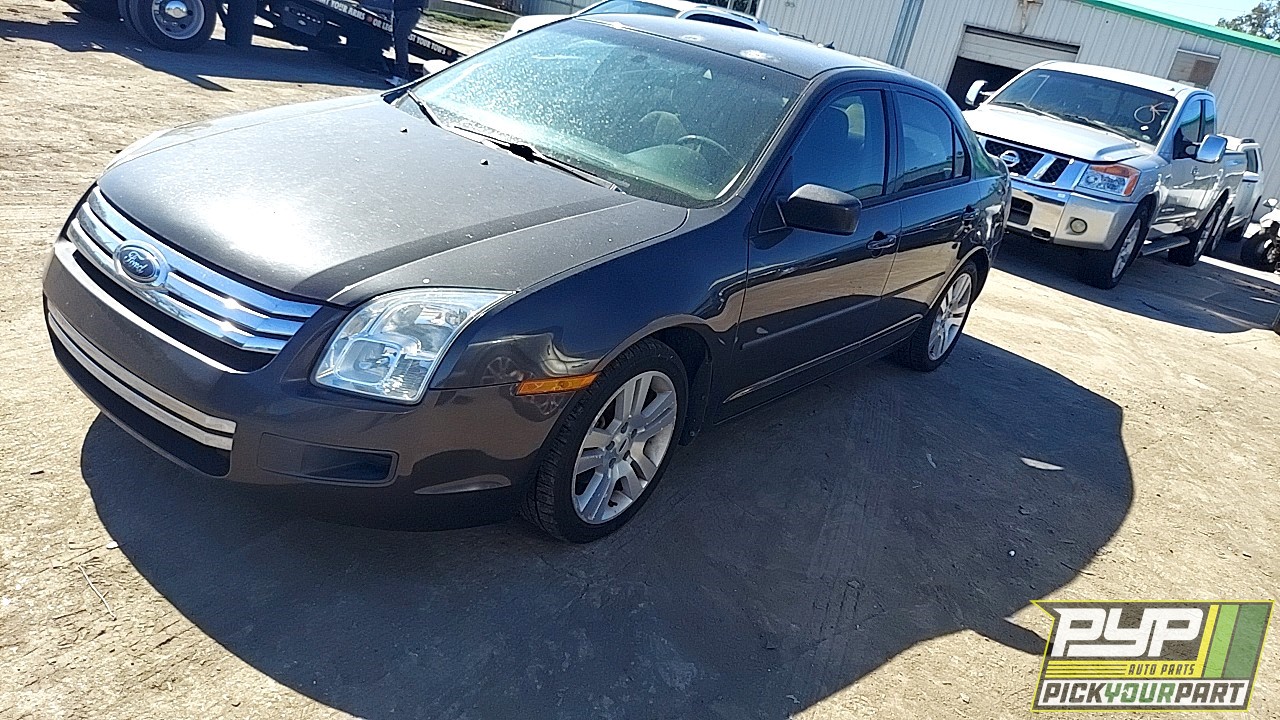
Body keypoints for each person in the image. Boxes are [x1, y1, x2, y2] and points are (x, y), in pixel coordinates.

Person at [388, 0, 425, 86]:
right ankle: (400, 74)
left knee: (400, 38)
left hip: (411, 9)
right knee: (397, 40)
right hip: (398, 9)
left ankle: (402, 76)